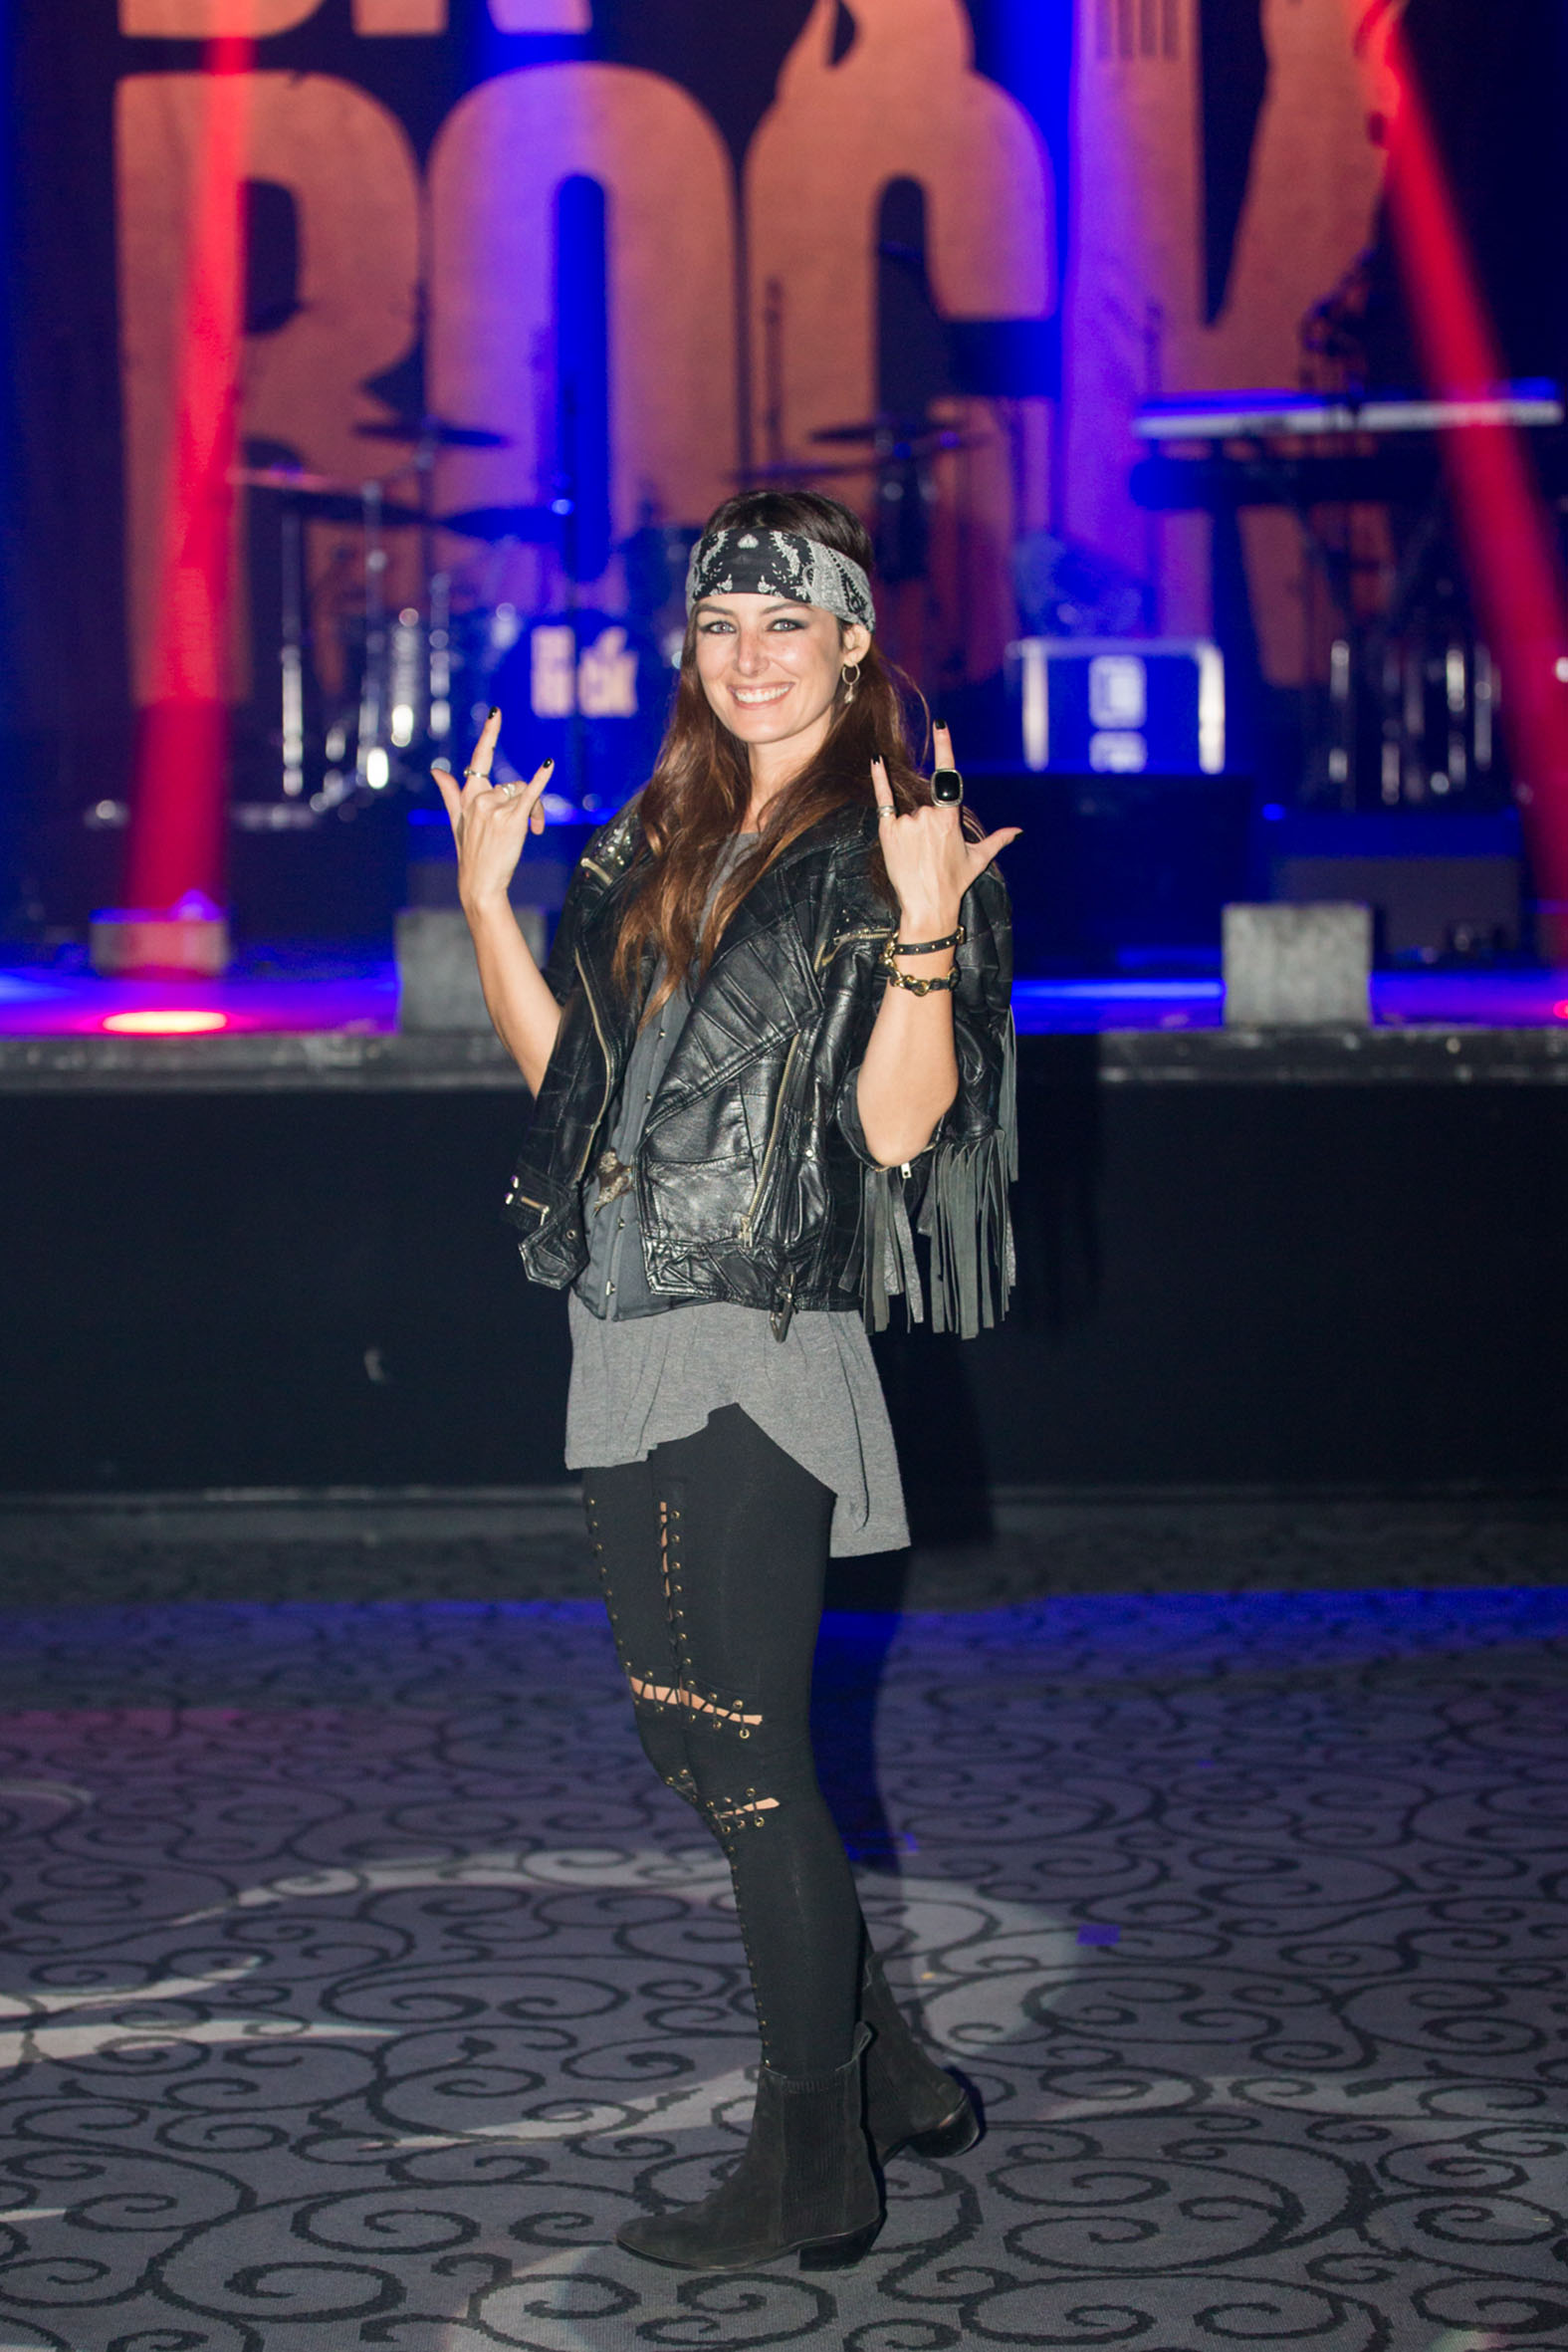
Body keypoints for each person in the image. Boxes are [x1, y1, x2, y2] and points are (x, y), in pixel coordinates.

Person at [435, 489, 1018, 2274]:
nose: (751, 656)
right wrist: (487, 905)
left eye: (788, 623)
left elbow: (898, 1132)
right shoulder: (653, 839)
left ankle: (810, 2161)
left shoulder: (889, 841)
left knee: (750, 1760)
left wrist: (926, 929)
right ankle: (894, 2070)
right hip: (620, 1317)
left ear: (854, 643)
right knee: (687, 1739)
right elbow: (574, 1090)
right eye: (720, 624)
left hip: (759, 1335)